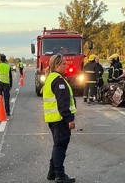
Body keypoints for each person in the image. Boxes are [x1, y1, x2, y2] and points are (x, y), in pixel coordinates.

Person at [43, 54, 76, 183]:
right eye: (64, 64)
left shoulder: (51, 78)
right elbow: (63, 103)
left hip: (53, 118)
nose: (66, 66)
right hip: (59, 119)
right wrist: (69, 119)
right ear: (57, 65)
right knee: (60, 146)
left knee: (58, 145)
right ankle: (60, 175)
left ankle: (52, 173)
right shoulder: (58, 80)